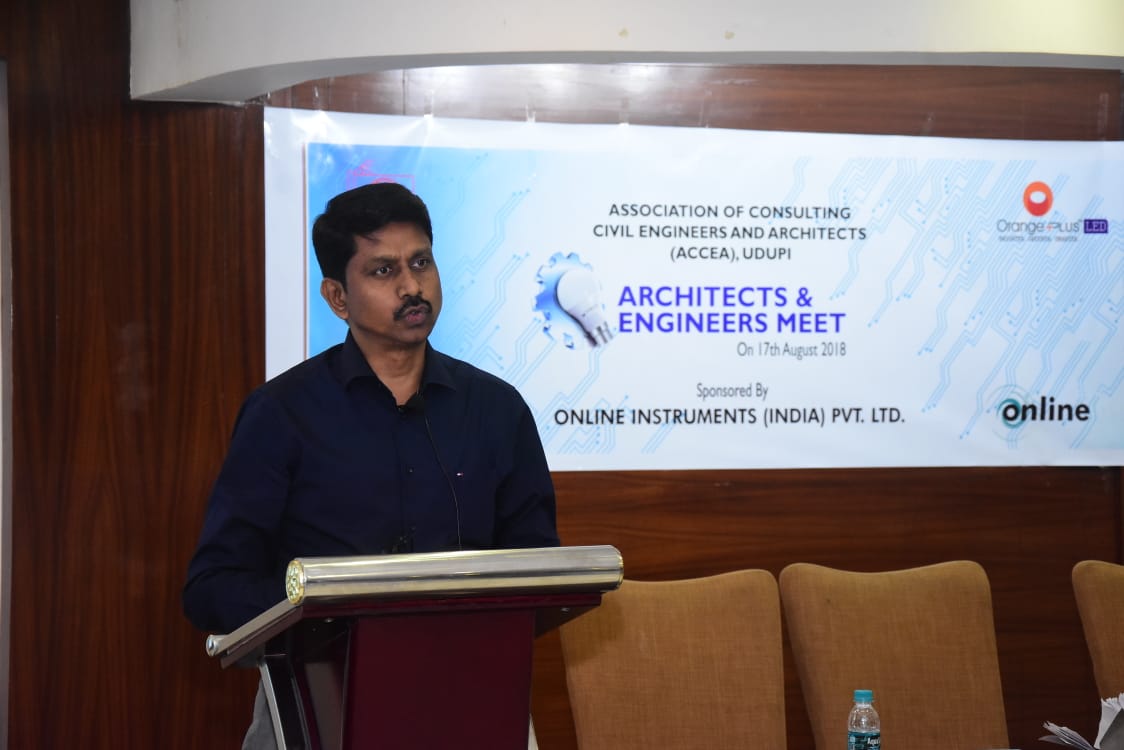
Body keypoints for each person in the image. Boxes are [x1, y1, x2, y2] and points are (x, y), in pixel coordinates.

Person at [182, 182, 559, 747]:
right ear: (337, 297)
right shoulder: (282, 414)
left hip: (472, 692)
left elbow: (539, 565)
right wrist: (325, 609)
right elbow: (213, 585)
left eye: (421, 262)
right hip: (320, 698)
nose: (412, 287)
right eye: (383, 271)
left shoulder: (497, 410)